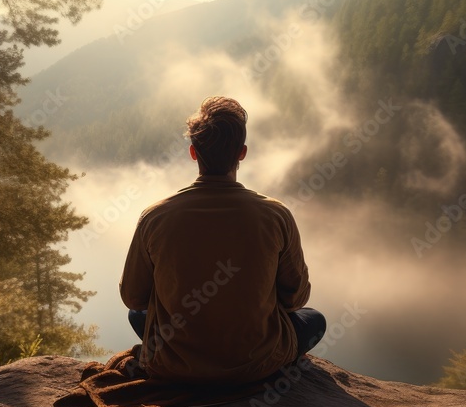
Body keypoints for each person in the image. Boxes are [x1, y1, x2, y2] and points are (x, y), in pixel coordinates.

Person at [119, 96, 326, 384]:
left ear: (193, 152)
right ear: (242, 153)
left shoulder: (155, 217)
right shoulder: (276, 215)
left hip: (175, 363)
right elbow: (296, 299)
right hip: (257, 364)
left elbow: (133, 297)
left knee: (136, 315)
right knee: (314, 319)